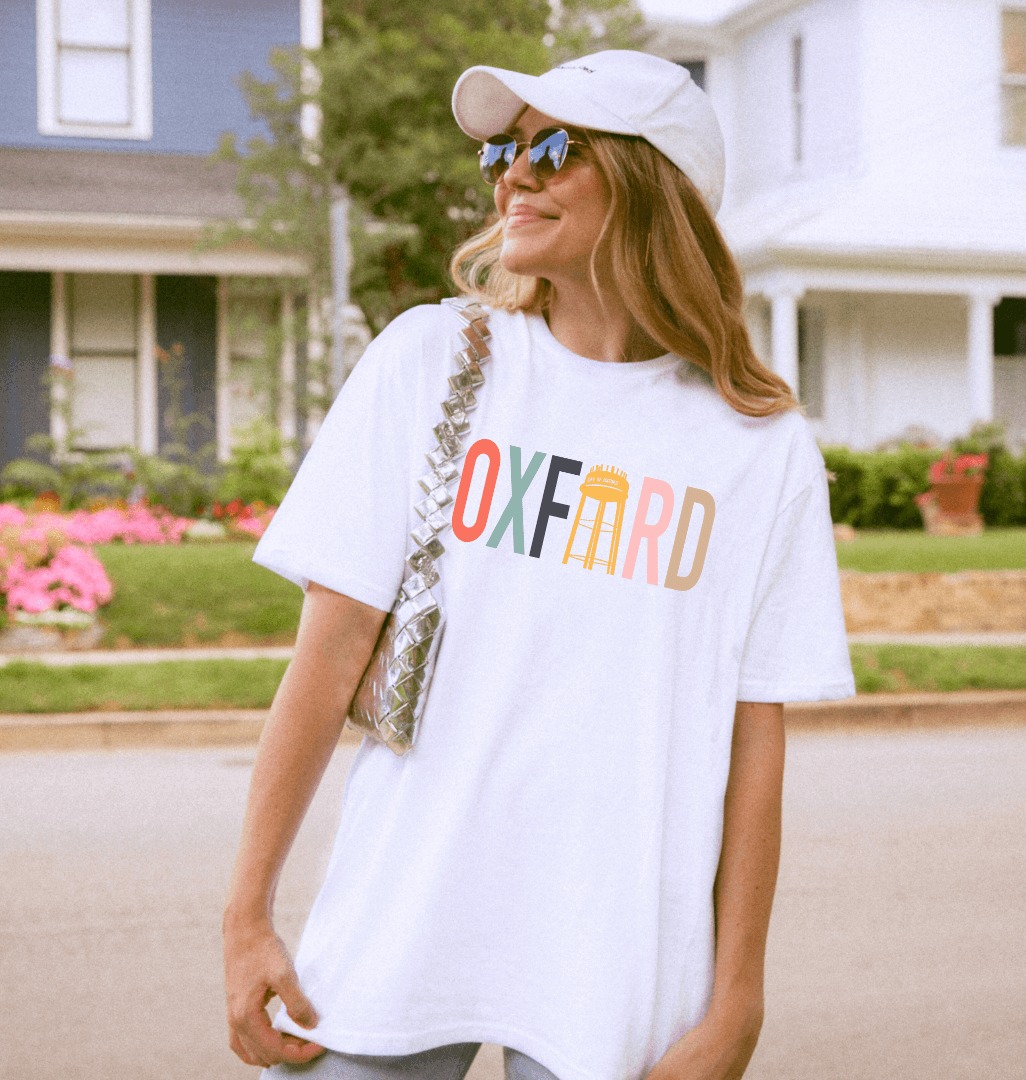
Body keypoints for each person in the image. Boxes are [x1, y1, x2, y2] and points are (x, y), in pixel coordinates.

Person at [224, 50, 854, 1080]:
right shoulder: (428, 362)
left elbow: (754, 743)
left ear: (657, 188)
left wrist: (739, 997)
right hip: (400, 933)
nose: (515, 174)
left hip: (614, 973)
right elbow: (328, 656)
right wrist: (245, 914)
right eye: (504, 154)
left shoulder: (759, 448)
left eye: (553, 148)